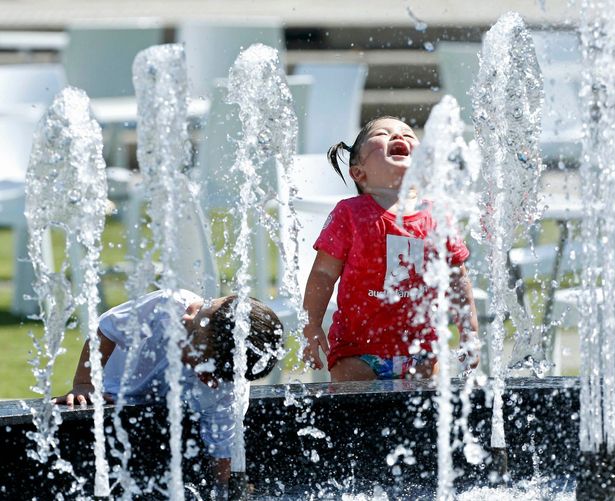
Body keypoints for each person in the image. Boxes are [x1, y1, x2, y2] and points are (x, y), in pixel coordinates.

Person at [53, 288, 282, 496]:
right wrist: (85, 383)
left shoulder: (224, 392)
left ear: (207, 376)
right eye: (200, 307)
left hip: (154, 409)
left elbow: (222, 443)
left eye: (192, 335)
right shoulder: (169, 305)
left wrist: (224, 487)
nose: (186, 316)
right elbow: (107, 329)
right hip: (112, 392)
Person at [302, 116, 480, 382]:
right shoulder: (349, 214)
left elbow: (457, 277)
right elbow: (323, 275)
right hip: (357, 351)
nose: (398, 136)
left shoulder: (437, 215)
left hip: (420, 350)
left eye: (408, 135)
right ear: (359, 172)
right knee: (354, 405)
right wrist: (312, 325)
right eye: (383, 134)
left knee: (422, 414)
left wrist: (469, 332)